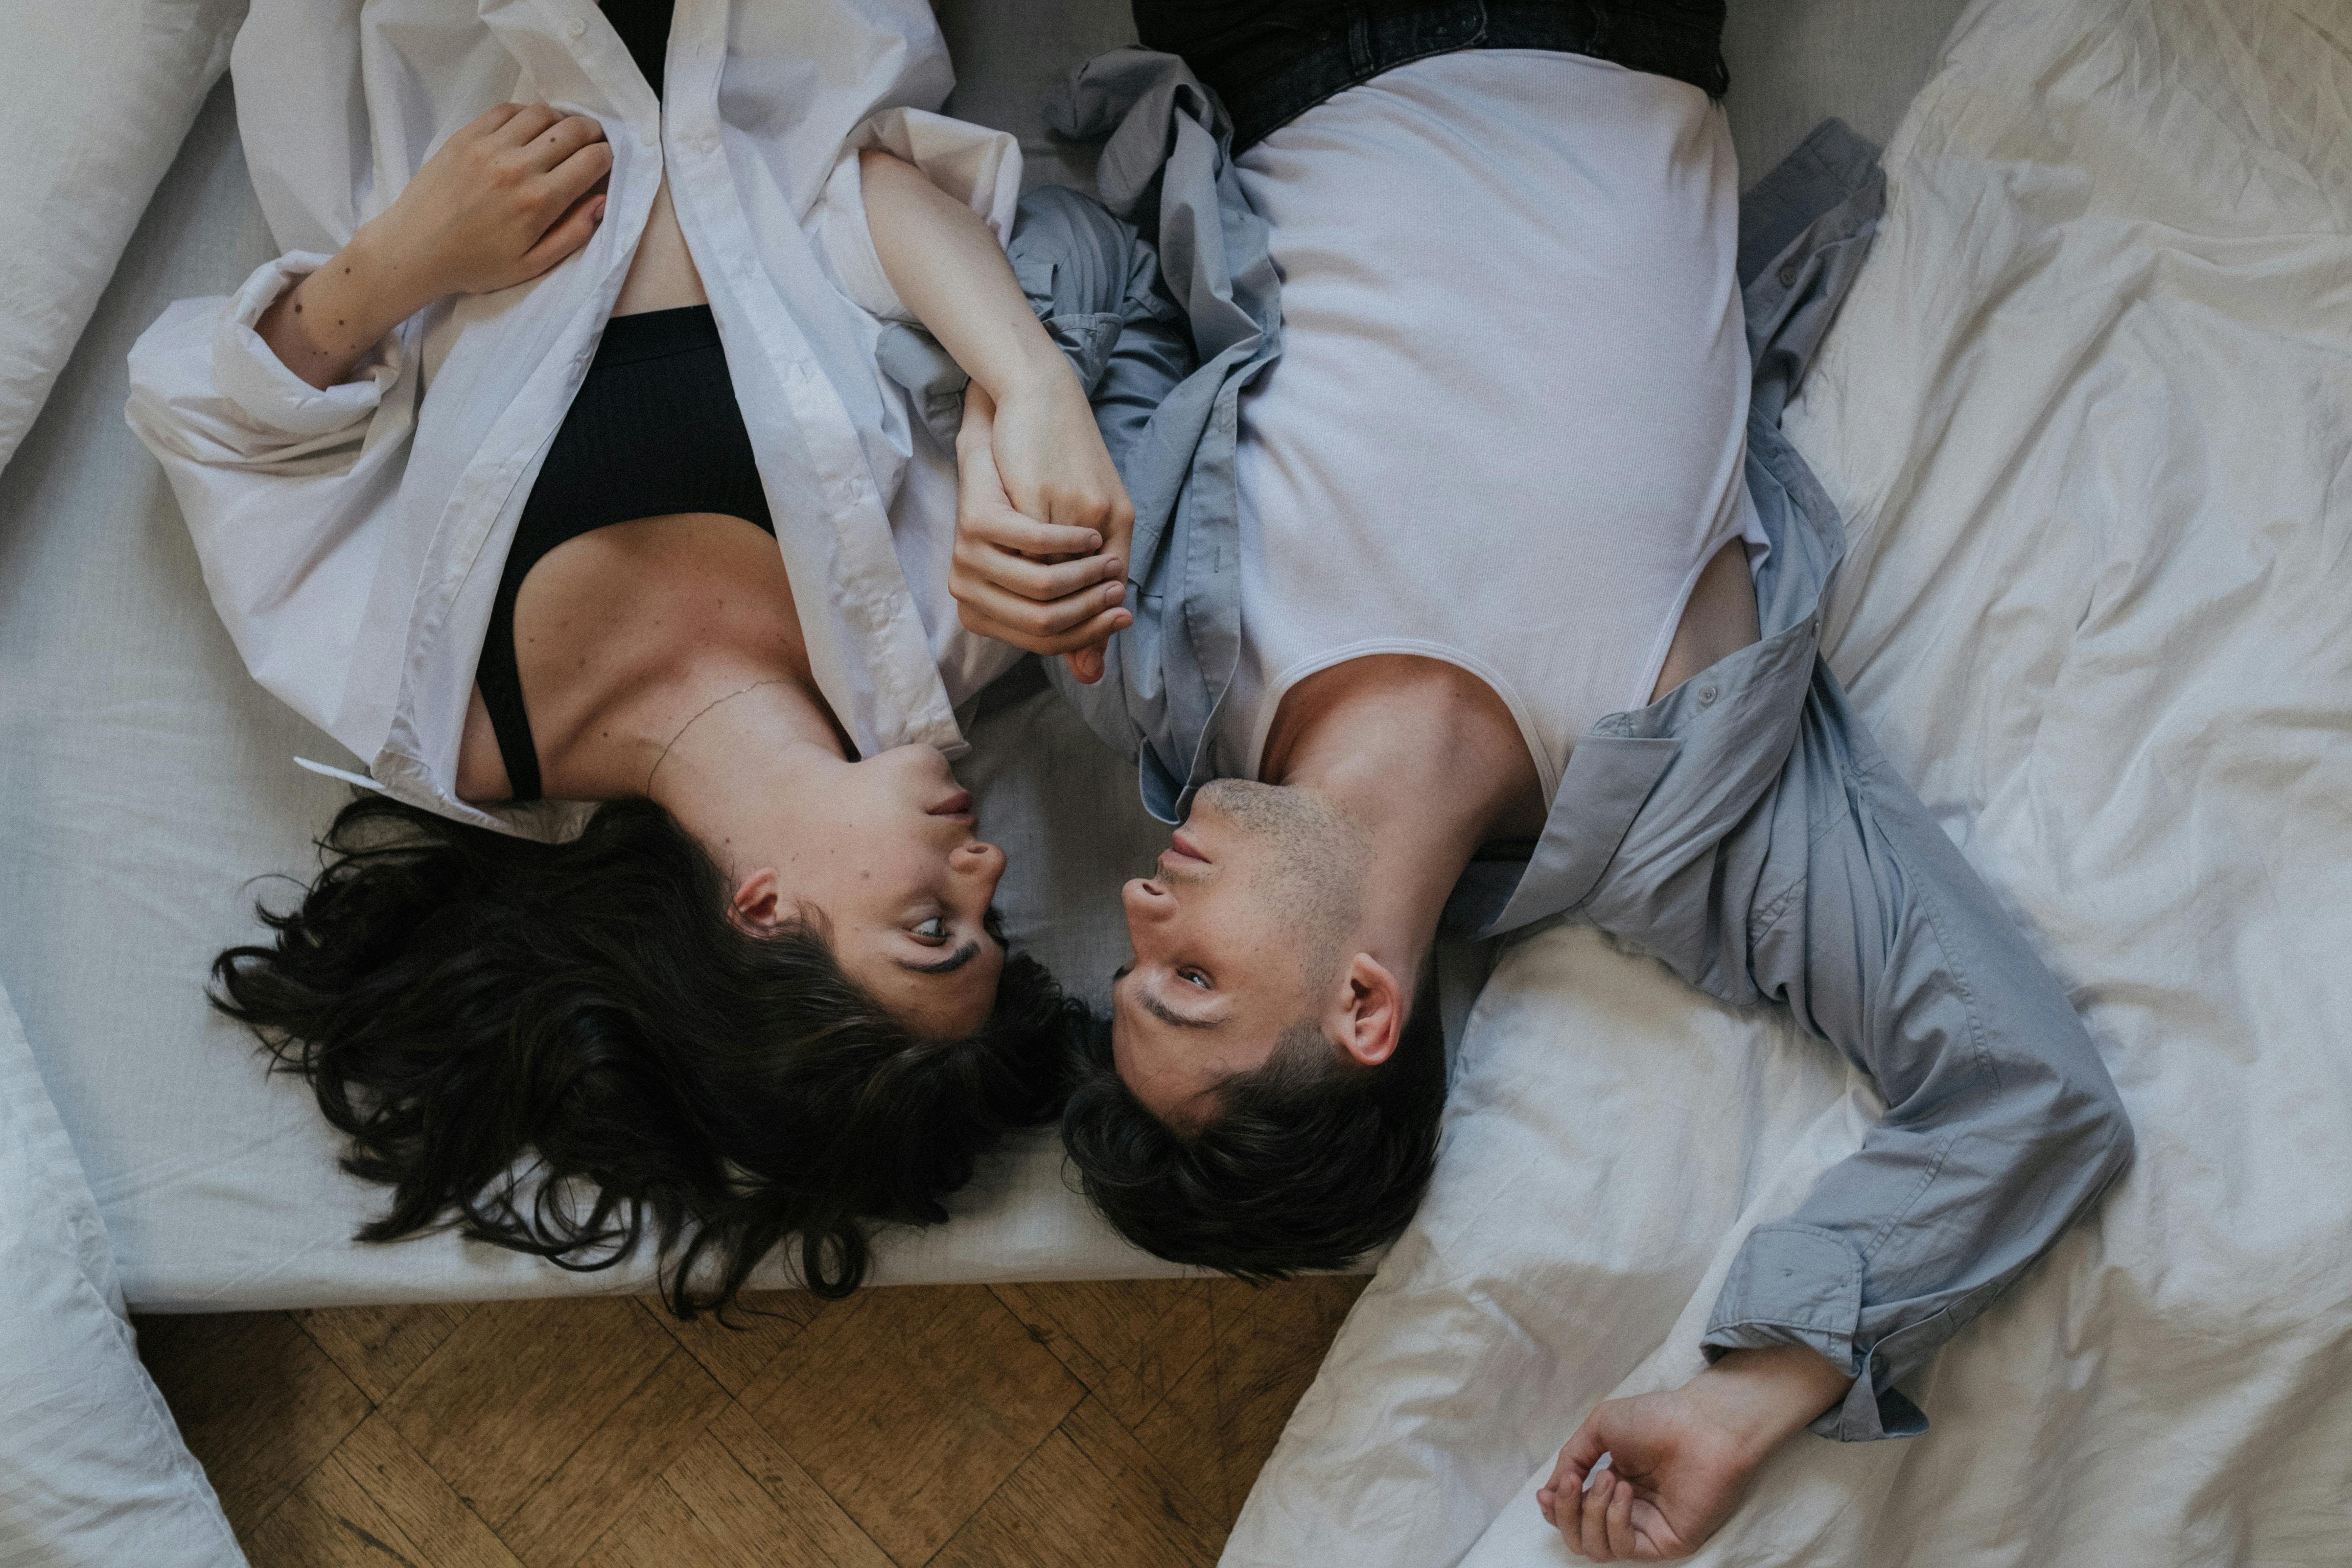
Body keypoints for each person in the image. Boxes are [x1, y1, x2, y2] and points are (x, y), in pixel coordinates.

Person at [938, 11, 2136, 1561]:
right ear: (1362, 1006)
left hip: (1270, 44)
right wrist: (1750, 1392)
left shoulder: (1143, 671)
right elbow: (2022, 1090)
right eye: (1185, 976)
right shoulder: (1701, 815)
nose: (1140, 897)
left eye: (1129, 955)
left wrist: (1013, 422)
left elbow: (1076, 264)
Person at [123, 0, 1133, 1314]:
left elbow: (214, 421)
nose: (989, 863)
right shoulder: (947, 633)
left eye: (935, 925)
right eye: (994, 913)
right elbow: (861, 192)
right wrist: (1034, 390)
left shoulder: (434, 716)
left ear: (762, 914)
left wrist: (401, 261)